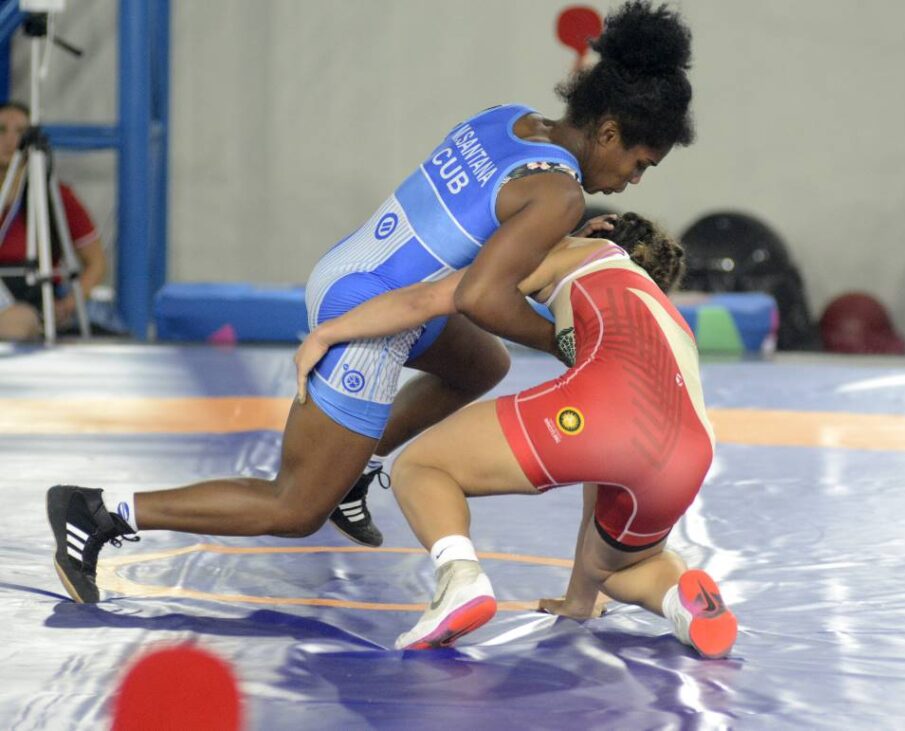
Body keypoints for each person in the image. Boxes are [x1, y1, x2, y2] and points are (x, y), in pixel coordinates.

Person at [46, 1, 698, 604]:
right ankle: (99, 510)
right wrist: (569, 345)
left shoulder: (511, 120)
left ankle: (356, 471)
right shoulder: (560, 194)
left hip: (357, 268)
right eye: (640, 163)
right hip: (375, 314)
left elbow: (480, 228)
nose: (634, 181)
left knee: (480, 366)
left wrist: (558, 240)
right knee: (294, 505)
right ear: (609, 133)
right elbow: (480, 294)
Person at [291, 213, 738, 658]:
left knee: (421, 466)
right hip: (690, 449)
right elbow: (609, 461)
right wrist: (579, 603)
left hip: (611, 414)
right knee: (621, 568)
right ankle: (682, 599)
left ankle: (459, 581)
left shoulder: (571, 250)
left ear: (598, 229)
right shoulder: (660, 314)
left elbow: (430, 299)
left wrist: (328, 332)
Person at [0, 101, 107, 341]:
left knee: (18, 324)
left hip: (32, 305)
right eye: (1, 130)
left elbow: (96, 262)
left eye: (20, 133)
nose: (9, 140)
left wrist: (68, 304)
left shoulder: (56, 196)